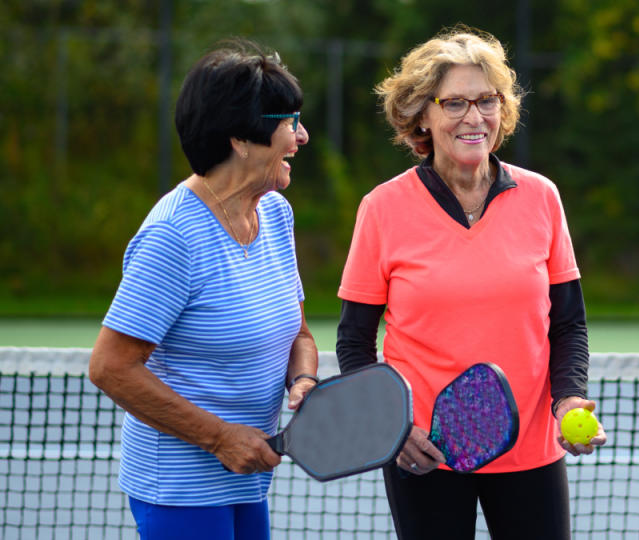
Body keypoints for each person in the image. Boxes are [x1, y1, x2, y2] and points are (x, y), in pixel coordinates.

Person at [335, 26, 607, 539]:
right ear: (423, 114)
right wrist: (392, 427)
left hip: (530, 448)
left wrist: (569, 397)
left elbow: (568, 323)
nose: (473, 117)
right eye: (454, 102)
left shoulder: (542, 198)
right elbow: (354, 340)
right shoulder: (382, 208)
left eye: (487, 100)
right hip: (425, 451)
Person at [88, 40, 318, 540]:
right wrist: (218, 439)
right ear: (241, 138)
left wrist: (302, 380)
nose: (301, 136)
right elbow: (110, 367)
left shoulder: (275, 214)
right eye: (289, 123)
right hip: (180, 490)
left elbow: (298, 334)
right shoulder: (174, 237)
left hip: (247, 480)